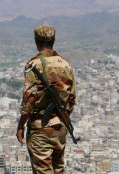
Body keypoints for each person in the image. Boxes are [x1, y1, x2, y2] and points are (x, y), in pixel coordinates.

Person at [16, 24, 76, 174]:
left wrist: (21, 125)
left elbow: (29, 99)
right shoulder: (66, 64)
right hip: (60, 126)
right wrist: (62, 117)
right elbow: (72, 98)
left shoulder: (33, 65)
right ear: (54, 40)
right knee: (58, 169)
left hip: (40, 128)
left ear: (35, 41)